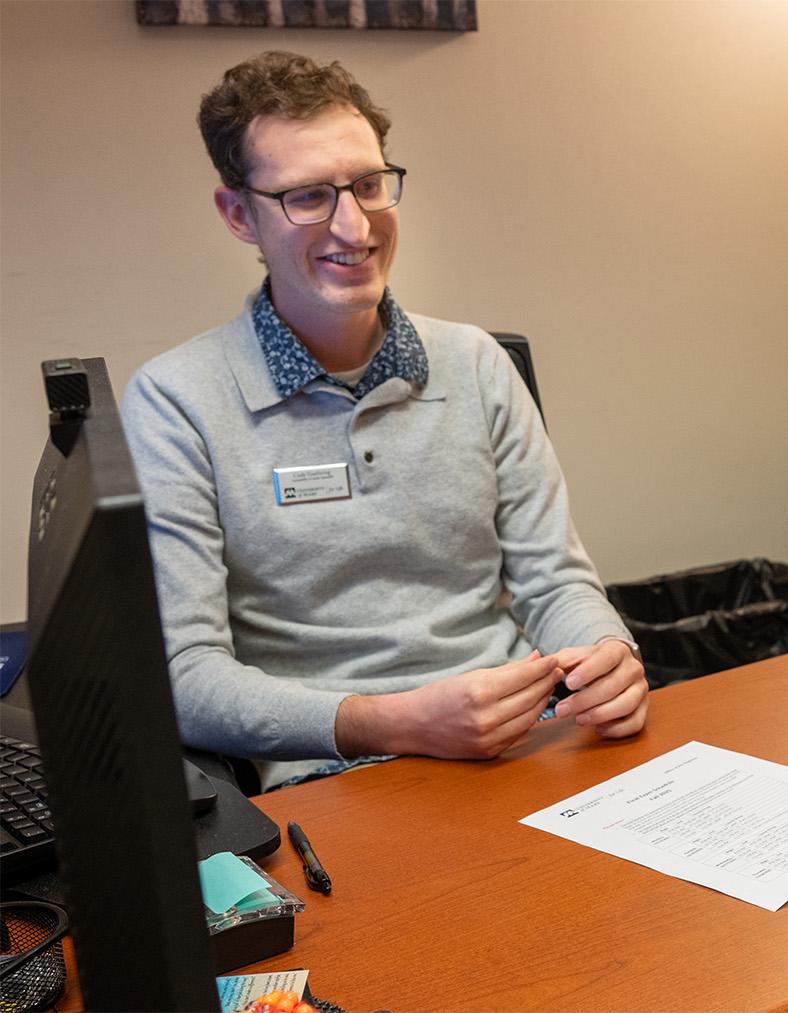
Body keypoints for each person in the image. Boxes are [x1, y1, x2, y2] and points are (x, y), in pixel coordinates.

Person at [121, 52, 648, 791]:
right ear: (239, 214)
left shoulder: (476, 363)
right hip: (333, 783)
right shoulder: (175, 402)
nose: (354, 224)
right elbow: (185, 678)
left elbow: (554, 582)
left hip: (524, 748)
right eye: (307, 196)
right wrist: (393, 719)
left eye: (369, 185)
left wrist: (605, 653)